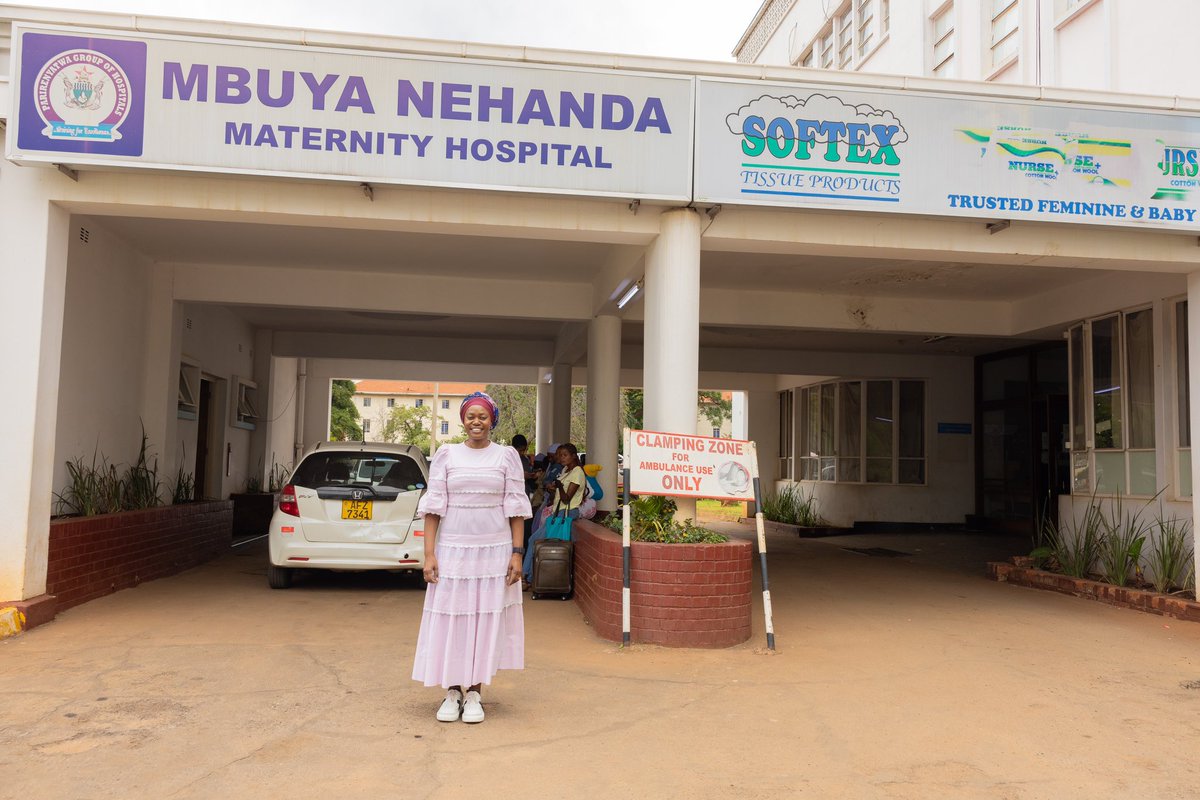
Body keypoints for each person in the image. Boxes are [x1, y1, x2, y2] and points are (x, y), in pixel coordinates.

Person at [412, 391, 532, 724]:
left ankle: (475, 693)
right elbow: (434, 508)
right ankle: (452, 692)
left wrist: (517, 554)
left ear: (492, 420)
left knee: (482, 619)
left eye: (482, 416)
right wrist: (429, 555)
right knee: (454, 618)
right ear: (463, 420)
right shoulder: (446, 455)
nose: (476, 421)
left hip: (494, 551)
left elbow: (516, 509)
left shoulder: (506, 457)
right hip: (453, 551)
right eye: (470, 416)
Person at [522, 443, 585, 586]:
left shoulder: (577, 472)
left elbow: (567, 498)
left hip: (566, 513)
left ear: (573, 456)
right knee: (536, 541)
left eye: (565, 455)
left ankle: (526, 576)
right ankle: (529, 577)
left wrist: (559, 486)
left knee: (535, 541)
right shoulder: (565, 470)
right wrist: (554, 487)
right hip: (558, 512)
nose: (561, 458)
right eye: (560, 455)